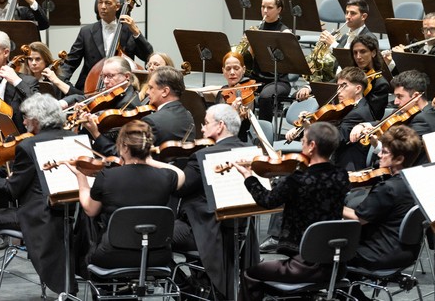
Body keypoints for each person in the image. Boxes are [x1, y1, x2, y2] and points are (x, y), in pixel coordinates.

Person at [234, 122, 349, 301]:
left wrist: (249, 177)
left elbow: (267, 200)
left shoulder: (298, 180)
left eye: (303, 141)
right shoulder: (342, 175)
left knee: (251, 273)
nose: (301, 145)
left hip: (304, 266)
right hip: (335, 264)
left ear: (312, 146)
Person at [0, 93, 77, 299]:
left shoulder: (28, 145)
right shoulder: (73, 137)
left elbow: (10, 191)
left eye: (25, 118)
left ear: (37, 119)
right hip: (68, 215)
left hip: (38, 217)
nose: (22, 122)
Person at [65, 120, 185, 269]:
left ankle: (107, 289)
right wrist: (149, 159)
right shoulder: (166, 177)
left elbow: (90, 209)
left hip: (113, 254)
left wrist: (80, 176)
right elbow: (180, 174)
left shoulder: (107, 176)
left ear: (125, 147)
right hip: (157, 255)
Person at [172, 104, 258, 299]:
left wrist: (169, 167)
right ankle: (199, 281)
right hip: (240, 231)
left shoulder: (203, 156)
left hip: (206, 230)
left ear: (220, 126)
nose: (201, 129)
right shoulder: (250, 152)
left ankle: (186, 288)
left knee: (152, 237)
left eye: (205, 123)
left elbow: (180, 188)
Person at [343, 124, 422, 301]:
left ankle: (348, 295)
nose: (379, 155)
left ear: (399, 158)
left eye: (385, 152)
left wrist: (332, 203)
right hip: (407, 252)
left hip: (379, 255)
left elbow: (359, 219)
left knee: (329, 252)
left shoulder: (388, 188)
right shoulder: (416, 181)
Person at [83, 65, 195, 156]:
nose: (147, 92)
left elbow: (123, 155)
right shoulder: (188, 116)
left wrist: (96, 133)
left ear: (165, 91)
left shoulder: (151, 121)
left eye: (151, 88)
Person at [60, 0, 153, 91]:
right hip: (91, 87)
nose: (103, 6)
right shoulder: (86, 32)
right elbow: (71, 62)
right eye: (100, 2)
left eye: (108, 3)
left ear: (117, 7)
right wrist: (60, 81)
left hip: (122, 88)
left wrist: (136, 32)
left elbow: (148, 56)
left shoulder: (128, 30)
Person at [286, 67, 375, 171]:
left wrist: (309, 128)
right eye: (338, 86)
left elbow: (335, 139)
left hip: (346, 166)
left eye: (343, 86)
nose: (338, 91)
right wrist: (300, 129)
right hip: (334, 159)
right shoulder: (346, 107)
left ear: (358, 89)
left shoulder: (359, 113)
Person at [350, 70, 435, 165]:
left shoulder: (424, 121)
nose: (395, 102)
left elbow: (398, 155)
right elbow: (387, 122)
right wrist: (362, 125)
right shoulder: (409, 111)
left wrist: (376, 145)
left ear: (416, 96)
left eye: (399, 96)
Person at [297, 35, 390, 121]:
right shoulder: (350, 74)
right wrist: (308, 88)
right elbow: (329, 84)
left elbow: (373, 116)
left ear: (373, 53)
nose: (358, 57)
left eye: (363, 52)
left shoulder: (380, 84)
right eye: (355, 53)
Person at [0, 30, 38, 135]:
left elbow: (38, 108)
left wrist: (16, 82)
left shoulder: (26, 82)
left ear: (5, 52)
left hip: (17, 143)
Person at [246, 0, 292, 122]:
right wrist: (249, 46)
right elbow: (248, 62)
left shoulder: (285, 33)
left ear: (279, 10)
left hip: (278, 81)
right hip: (256, 78)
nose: (265, 11)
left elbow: (290, 63)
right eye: (262, 7)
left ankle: (264, 134)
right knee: (231, 91)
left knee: (265, 97)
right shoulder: (256, 30)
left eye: (270, 7)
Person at [384, 12, 435, 87]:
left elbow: (421, 75)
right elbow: (405, 73)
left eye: (432, 29)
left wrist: (402, 57)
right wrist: (390, 62)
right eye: (425, 29)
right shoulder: (423, 48)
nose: (428, 33)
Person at [19, 41, 84, 108]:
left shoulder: (58, 79)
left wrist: (56, 81)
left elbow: (81, 97)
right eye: (30, 59)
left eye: (38, 59)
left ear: (46, 60)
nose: (33, 63)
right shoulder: (21, 80)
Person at [217, 51, 254, 141]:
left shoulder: (247, 93)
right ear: (223, 71)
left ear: (244, 69)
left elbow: (235, 127)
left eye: (236, 68)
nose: (232, 72)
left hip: (239, 141)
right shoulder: (222, 91)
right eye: (228, 69)